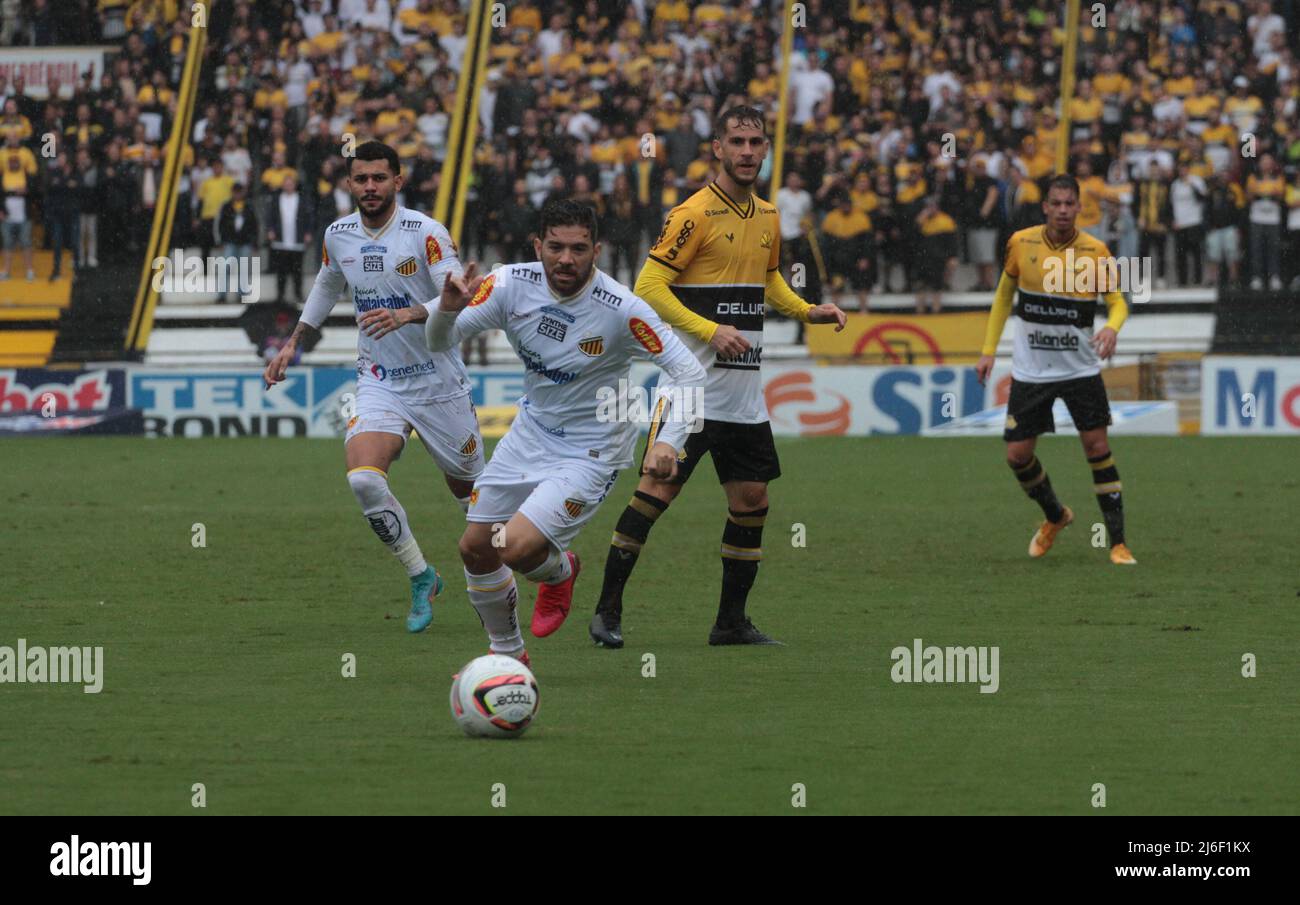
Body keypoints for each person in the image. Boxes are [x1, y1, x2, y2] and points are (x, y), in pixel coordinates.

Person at [589, 105, 847, 649]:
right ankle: (606, 611)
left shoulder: (771, 216)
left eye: (756, 142)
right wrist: (709, 330)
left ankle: (730, 622)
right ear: (718, 149)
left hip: (744, 395)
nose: (748, 151)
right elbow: (649, 288)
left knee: (752, 501)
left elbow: (769, 279)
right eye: (738, 141)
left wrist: (805, 312)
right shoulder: (693, 214)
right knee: (654, 494)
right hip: (691, 390)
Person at [424, 200, 707, 664]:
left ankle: (557, 574)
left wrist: (668, 441)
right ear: (538, 245)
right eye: (555, 247)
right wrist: (445, 313)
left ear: (595, 250)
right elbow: (439, 343)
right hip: (530, 433)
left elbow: (689, 371)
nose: (566, 259)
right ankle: (509, 659)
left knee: (512, 546)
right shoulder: (509, 284)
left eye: (578, 248)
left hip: (591, 450)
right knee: (475, 548)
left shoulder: (622, 309)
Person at [263, 140, 484, 633]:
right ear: (349, 184)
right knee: (363, 478)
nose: (369, 187)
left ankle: (525, 569)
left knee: (473, 498)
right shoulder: (338, 234)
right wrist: (291, 344)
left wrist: (413, 311)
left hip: (438, 381)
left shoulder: (425, 233)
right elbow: (325, 286)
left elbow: (457, 298)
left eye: (378, 178)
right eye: (360, 179)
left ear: (397, 182)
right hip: (379, 380)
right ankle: (421, 575)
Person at [976, 174, 1136, 567]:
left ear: (1080, 207)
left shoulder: (1096, 251)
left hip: (1080, 369)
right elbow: (1002, 297)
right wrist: (987, 351)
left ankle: (1117, 543)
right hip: (1032, 371)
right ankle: (1056, 516)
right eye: (1056, 203)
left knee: (1097, 449)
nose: (1063, 210)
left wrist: (1112, 328)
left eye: (1070, 204)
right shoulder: (1020, 243)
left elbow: (1118, 302)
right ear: (1045, 206)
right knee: (1016, 456)